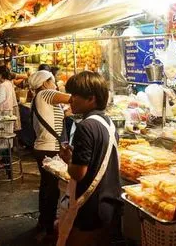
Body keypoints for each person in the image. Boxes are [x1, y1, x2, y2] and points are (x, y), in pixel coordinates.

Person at [59, 71, 122, 246]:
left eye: (75, 95)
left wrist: (67, 160)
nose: (70, 100)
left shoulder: (85, 126)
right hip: (108, 203)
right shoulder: (108, 123)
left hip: (90, 206)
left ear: (91, 98)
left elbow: (79, 173)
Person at [28, 70, 71, 241]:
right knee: (52, 189)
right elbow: (71, 98)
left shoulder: (39, 98)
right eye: (53, 81)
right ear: (45, 83)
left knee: (47, 186)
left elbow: (57, 116)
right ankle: (48, 227)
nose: (55, 83)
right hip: (49, 149)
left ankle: (43, 222)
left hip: (43, 147)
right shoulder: (45, 93)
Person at [0, 65, 21, 131]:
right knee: (9, 132)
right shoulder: (9, 83)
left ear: (1, 74)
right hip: (8, 113)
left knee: (3, 133)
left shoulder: (3, 85)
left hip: (3, 114)